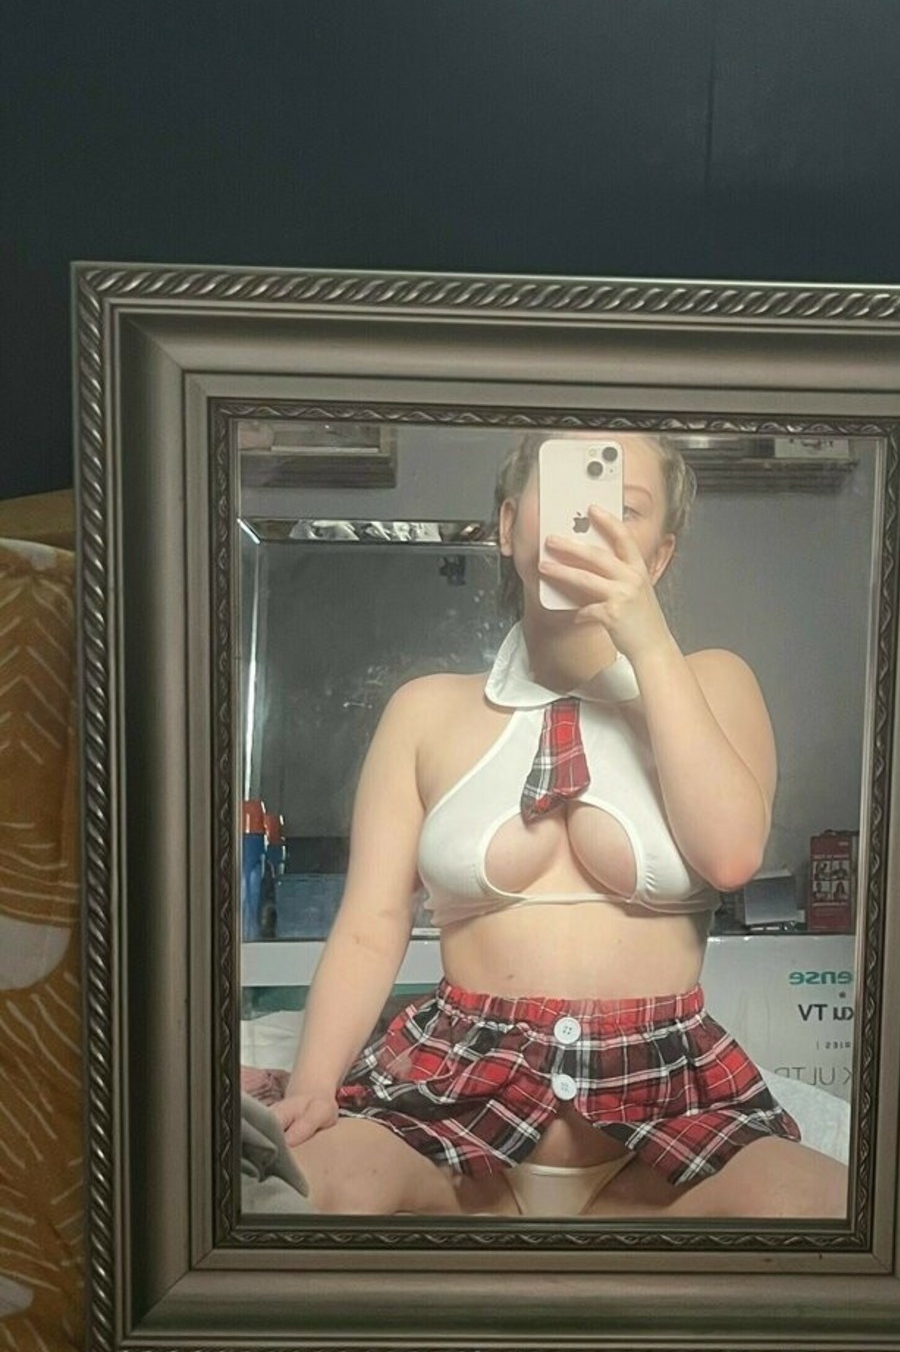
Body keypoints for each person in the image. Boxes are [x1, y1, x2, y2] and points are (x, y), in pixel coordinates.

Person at [270, 431, 848, 1219]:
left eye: (626, 509)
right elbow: (371, 926)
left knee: (830, 1218)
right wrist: (312, 1086)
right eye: (569, 497)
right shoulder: (424, 711)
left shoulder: (716, 682)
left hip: (667, 1120)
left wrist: (647, 640)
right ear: (510, 527)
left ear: (660, 556)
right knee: (293, 1200)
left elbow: (731, 855)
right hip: (449, 1106)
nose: (594, 523)